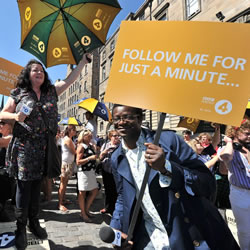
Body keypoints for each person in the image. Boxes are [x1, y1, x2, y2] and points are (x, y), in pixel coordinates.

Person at [109, 104, 239, 250]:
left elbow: (206, 182)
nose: (121, 122)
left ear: (140, 118)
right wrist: (116, 228)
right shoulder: (116, 158)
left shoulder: (169, 141)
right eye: (117, 118)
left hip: (188, 231)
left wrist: (166, 167)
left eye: (126, 117)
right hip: (150, 237)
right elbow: (122, 196)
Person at [0, 53, 91, 250]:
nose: (39, 72)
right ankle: (20, 228)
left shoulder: (51, 91)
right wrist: (16, 116)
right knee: (24, 188)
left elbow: (70, 79)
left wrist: (83, 62)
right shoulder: (18, 92)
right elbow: (2, 113)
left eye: (41, 70)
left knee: (36, 187)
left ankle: (33, 222)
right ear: (28, 74)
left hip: (44, 147)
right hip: (24, 147)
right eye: (35, 70)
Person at [219, 118, 250, 250]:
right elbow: (226, 157)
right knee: (245, 230)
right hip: (240, 193)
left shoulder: (248, 148)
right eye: (247, 133)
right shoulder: (228, 149)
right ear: (236, 132)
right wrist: (230, 141)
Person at [76, 129, 99, 223]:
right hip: (84, 172)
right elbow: (78, 162)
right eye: (88, 136)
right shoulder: (81, 146)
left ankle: (86, 210)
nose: (90, 138)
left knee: (94, 190)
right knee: (83, 192)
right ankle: (83, 213)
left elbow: (95, 156)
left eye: (91, 136)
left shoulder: (89, 145)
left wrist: (95, 150)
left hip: (90, 171)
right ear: (83, 137)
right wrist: (89, 158)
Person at [99, 129, 120, 215]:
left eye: (118, 136)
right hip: (106, 170)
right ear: (110, 137)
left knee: (116, 190)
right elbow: (100, 158)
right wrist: (105, 152)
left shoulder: (121, 145)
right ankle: (107, 207)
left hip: (117, 171)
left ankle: (116, 208)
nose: (117, 138)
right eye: (115, 136)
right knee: (108, 189)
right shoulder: (105, 145)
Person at [58, 125, 77, 212]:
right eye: (74, 130)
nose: (75, 131)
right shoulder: (68, 139)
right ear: (70, 130)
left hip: (68, 163)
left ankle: (63, 199)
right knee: (63, 183)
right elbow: (74, 152)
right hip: (66, 163)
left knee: (65, 183)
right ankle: (60, 203)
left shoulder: (68, 139)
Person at [0, 120, 15, 222]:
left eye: (2, 124)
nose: (0, 126)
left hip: (5, 174)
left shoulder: (10, 137)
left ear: (9, 126)